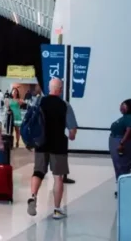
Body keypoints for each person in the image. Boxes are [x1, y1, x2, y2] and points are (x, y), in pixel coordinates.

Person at [27, 78, 76, 219]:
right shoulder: (65, 105)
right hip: (58, 145)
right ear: (60, 89)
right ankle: (56, 210)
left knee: (38, 172)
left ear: (49, 88)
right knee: (58, 177)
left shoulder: (39, 102)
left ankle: (33, 197)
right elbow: (72, 131)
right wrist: (71, 136)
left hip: (41, 143)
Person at [109, 99, 131, 197]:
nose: (121, 107)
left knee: (122, 166)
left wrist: (121, 143)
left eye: (123, 105)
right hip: (116, 140)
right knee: (118, 166)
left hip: (121, 143)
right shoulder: (126, 117)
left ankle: (124, 190)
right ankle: (121, 188)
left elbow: (129, 130)